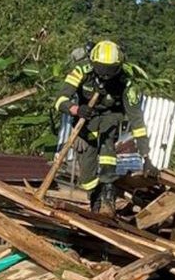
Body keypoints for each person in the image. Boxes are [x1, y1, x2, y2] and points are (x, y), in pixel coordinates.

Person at [54, 40, 155, 216]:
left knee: (108, 138)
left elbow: (136, 119)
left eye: (110, 71)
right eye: (102, 70)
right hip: (85, 119)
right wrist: (77, 110)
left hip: (111, 117)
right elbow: (60, 101)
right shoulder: (81, 72)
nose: (106, 76)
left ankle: (108, 191)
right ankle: (95, 196)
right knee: (86, 172)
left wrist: (146, 155)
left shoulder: (126, 82)